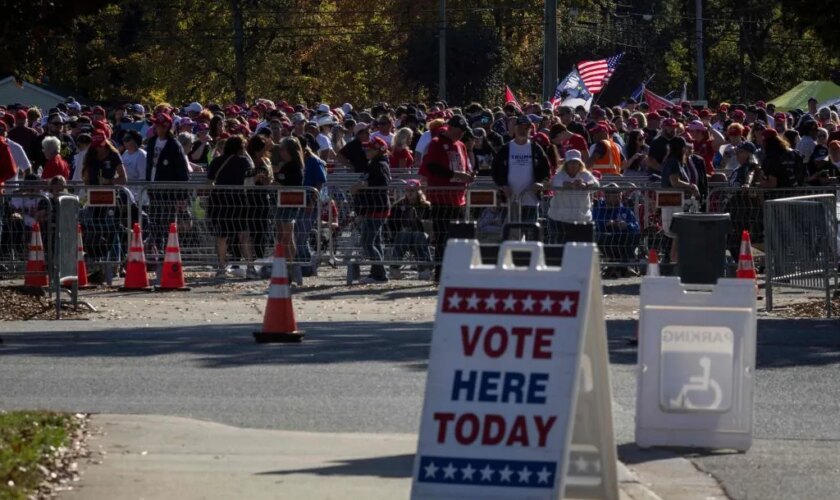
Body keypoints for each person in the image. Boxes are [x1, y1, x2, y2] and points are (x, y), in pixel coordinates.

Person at [419, 115, 474, 282]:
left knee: (459, 238)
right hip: (441, 198)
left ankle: (457, 270)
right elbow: (431, 167)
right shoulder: (436, 144)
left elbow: (467, 166)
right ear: (450, 127)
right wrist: (455, 174)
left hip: (459, 198)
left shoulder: (461, 145)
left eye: (463, 132)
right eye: (458, 131)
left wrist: (468, 176)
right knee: (443, 237)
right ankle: (441, 273)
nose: (461, 135)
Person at [207, 135, 256, 279]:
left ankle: (221, 268)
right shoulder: (243, 161)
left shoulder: (217, 161)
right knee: (243, 235)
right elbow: (252, 171)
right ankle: (250, 268)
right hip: (239, 200)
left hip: (220, 201)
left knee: (222, 236)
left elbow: (209, 182)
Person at [144, 112, 191, 264]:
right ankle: (155, 253)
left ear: (166, 127)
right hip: (153, 188)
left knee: (167, 223)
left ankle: (168, 254)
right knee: (154, 222)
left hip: (168, 191)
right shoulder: (151, 142)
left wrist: (182, 196)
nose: (155, 127)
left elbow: (182, 171)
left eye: (158, 124)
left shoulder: (174, 145)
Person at [491, 115, 550, 222]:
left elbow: (546, 170)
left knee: (530, 235)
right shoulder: (506, 148)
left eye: (526, 128)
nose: (523, 130)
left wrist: (540, 183)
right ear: (515, 128)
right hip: (509, 201)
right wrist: (503, 185)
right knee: (509, 235)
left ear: (530, 129)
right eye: (520, 127)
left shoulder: (536, 148)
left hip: (530, 201)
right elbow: (495, 170)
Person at [351, 136, 391, 284]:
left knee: (367, 242)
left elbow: (383, 183)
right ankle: (377, 274)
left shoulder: (380, 164)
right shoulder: (373, 163)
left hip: (377, 208)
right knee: (376, 242)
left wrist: (362, 184)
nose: (367, 150)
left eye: (370, 148)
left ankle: (380, 274)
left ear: (379, 150)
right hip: (372, 207)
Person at [547, 150, 599, 244]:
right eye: (571, 162)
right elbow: (554, 183)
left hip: (582, 219)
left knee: (581, 251)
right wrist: (567, 184)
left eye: (576, 162)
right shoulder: (559, 175)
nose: (573, 165)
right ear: (566, 164)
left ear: (580, 164)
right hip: (559, 220)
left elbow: (596, 184)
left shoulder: (586, 175)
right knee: (559, 251)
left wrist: (586, 184)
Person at [387, 180, 432, 280]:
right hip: (402, 237)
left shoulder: (426, 206)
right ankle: (394, 269)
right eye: (408, 190)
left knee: (418, 236)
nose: (410, 193)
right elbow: (392, 225)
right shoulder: (397, 206)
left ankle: (425, 270)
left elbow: (430, 226)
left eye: (413, 190)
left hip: (422, 236)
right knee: (405, 234)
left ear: (418, 191)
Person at [273, 137, 305, 271]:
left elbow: (292, 185)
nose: (280, 152)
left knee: (287, 235)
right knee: (281, 234)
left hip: (291, 200)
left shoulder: (295, 166)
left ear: (290, 151)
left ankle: (291, 266)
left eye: (282, 149)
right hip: (282, 200)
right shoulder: (285, 165)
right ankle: (283, 263)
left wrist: (275, 183)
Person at [593, 188, 640, 271]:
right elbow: (594, 224)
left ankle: (620, 266)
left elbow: (636, 227)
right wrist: (608, 223)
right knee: (606, 238)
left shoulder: (625, 210)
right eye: (615, 196)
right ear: (606, 197)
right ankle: (620, 265)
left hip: (623, 238)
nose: (619, 199)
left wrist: (627, 225)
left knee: (633, 236)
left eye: (619, 196)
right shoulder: (598, 209)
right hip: (607, 238)